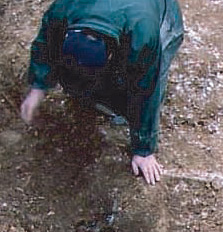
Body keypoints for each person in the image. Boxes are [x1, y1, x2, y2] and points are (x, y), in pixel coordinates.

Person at [20, 0, 184, 185]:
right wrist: (38, 86)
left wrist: (143, 150)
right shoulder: (64, 9)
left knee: (132, 87)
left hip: (158, 14)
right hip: (118, 21)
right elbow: (46, 42)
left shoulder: (143, 33)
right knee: (79, 84)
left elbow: (146, 89)